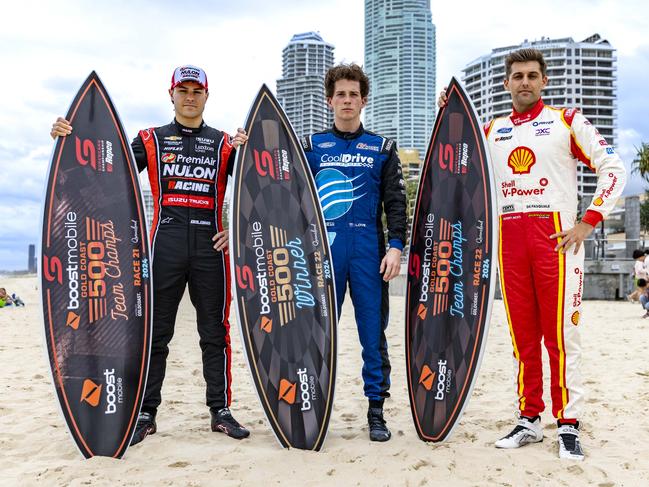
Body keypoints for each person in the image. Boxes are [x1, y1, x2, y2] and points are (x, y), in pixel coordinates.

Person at [439, 48, 626, 460]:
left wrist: (588, 221)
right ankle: (529, 419)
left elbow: (613, 167)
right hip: (509, 244)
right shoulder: (491, 131)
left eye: (532, 75)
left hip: (556, 243)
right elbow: (456, 166)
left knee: (562, 338)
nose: (524, 81)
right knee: (524, 340)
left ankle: (569, 424)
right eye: (517, 76)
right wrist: (449, 116)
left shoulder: (566, 121)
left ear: (544, 81)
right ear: (505, 84)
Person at [50, 65, 250, 445]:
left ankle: (220, 410)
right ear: (171, 94)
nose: (190, 97)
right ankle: (145, 412)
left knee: (215, 332)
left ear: (207, 96)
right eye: (183, 90)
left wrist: (237, 228)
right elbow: (104, 165)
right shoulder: (152, 139)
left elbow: (257, 186)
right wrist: (66, 137)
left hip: (211, 247)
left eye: (197, 91)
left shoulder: (225, 144)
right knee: (155, 333)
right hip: (165, 245)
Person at [301, 63, 407, 442]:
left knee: (371, 334)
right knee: (317, 332)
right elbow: (284, 194)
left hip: (368, 248)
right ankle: (311, 405)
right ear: (330, 100)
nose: (347, 101)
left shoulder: (382, 148)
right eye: (340, 94)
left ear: (364, 101)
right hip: (323, 250)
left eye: (353, 94)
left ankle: (376, 411)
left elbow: (397, 202)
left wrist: (396, 247)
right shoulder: (310, 147)